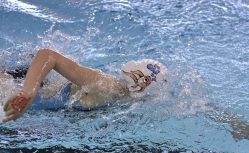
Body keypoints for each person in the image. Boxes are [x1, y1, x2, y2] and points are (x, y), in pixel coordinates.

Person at [1, 48, 167, 122]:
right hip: (25, 82)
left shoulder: (121, 102)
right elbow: (48, 55)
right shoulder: (105, 86)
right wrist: (28, 92)